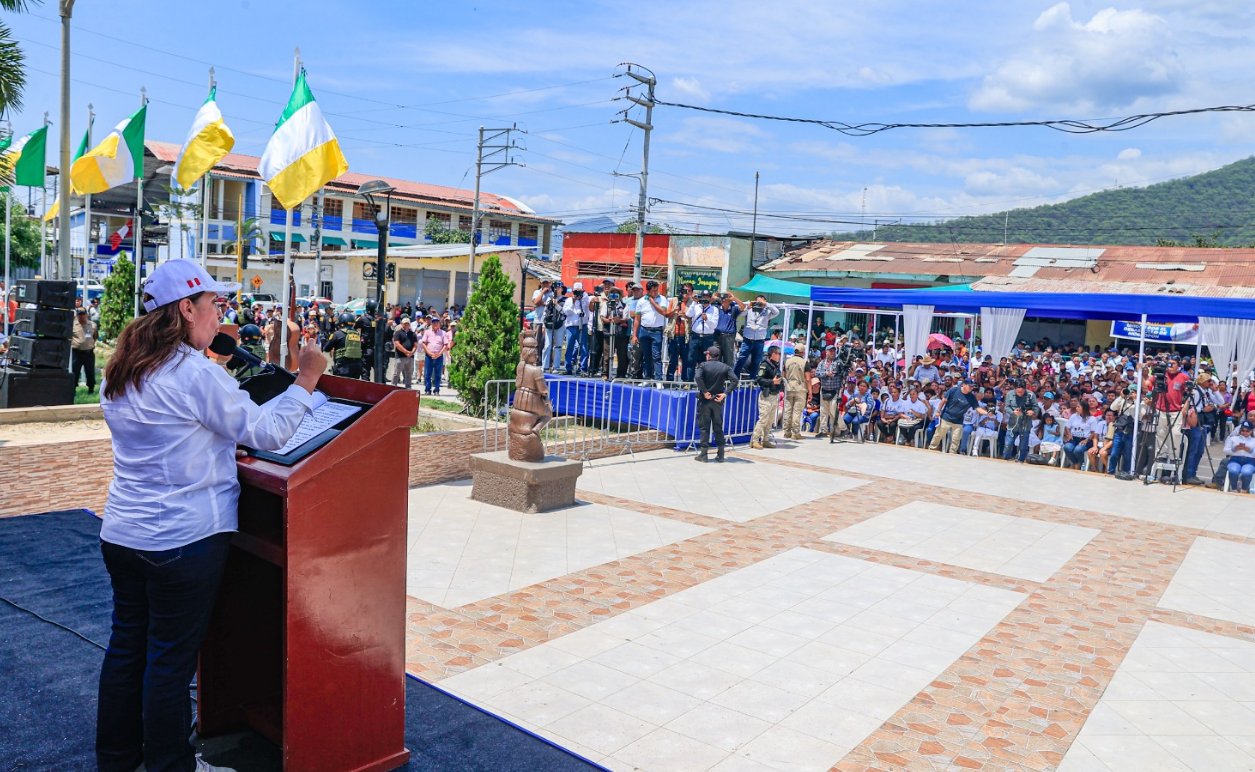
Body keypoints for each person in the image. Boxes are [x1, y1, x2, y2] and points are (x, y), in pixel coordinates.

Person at [96, 259, 327, 772]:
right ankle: (170, 765)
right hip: (183, 539)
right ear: (185, 309)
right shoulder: (195, 373)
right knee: (169, 662)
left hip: (124, 533)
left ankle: (116, 759)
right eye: (214, 305)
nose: (220, 316)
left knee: (127, 649)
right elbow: (268, 433)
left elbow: (174, 434)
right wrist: (307, 379)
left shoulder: (125, 368)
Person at [693, 345, 734, 462]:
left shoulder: (703, 365)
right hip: (717, 400)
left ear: (709, 355)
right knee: (718, 427)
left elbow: (697, 377)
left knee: (704, 427)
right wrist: (725, 393)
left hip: (705, 400)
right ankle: (720, 454)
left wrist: (705, 391)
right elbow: (735, 380)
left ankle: (704, 454)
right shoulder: (725, 367)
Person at [928, 378, 984, 453]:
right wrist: (938, 411)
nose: (971, 388)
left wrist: (987, 413)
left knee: (956, 439)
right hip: (946, 418)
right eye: (970, 386)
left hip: (958, 421)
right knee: (938, 435)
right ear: (964, 385)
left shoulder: (972, 397)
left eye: (972, 386)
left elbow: (977, 408)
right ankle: (931, 449)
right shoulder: (953, 390)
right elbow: (943, 401)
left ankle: (952, 454)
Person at [632, 280, 669, 380]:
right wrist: (634, 335)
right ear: (648, 291)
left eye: (657, 290)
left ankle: (658, 379)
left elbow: (664, 312)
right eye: (653, 291)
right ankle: (647, 378)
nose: (655, 292)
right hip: (644, 330)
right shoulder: (641, 301)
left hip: (656, 331)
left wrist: (653, 302)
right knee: (646, 356)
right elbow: (637, 318)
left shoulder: (662, 299)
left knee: (656, 356)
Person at [734, 295, 778, 379]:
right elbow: (740, 315)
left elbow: (776, 312)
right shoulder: (750, 310)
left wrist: (766, 304)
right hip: (748, 340)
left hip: (759, 340)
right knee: (741, 360)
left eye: (761, 302)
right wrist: (748, 307)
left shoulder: (768, 312)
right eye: (757, 302)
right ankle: (734, 379)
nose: (759, 304)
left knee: (756, 362)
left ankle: (752, 380)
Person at [751, 347, 783, 449]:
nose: (779, 356)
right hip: (766, 396)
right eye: (778, 353)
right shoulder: (765, 365)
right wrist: (772, 382)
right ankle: (754, 440)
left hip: (774, 395)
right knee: (763, 419)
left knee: (770, 420)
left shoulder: (775, 365)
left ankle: (765, 440)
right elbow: (759, 379)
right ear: (773, 354)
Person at [1002, 380, 1039, 463]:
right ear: (1014, 389)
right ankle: (1006, 458)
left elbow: (1036, 407)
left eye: (1022, 392)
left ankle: (1021, 460)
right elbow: (1007, 407)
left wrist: (1032, 412)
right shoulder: (1009, 394)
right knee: (1008, 443)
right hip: (1013, 423)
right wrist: (1013, 412)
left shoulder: (1031, 395)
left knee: (1023, 445)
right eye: (1018, 392)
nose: (1020, 394)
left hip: (1025, 422)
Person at [686, 290, 720, 376]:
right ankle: (689, 382)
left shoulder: (714, 309)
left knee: (706, 360)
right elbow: (688, 314)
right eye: (703, 297)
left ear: (710, 298)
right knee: (691, 359)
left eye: (707, 297)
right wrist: (694, 302)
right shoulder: (696, 307)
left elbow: (714, 326)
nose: (705, 299)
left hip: (707, 337)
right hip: (695, 336)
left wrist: (707, 319)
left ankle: (704, 382)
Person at [322, 313, 365, 379]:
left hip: (343, 368)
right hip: (357, 367)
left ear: (342, 323)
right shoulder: (357, 334)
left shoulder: (337, 334)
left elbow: (327, 348)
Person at [562, 282, 591, 375]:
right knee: (569, 348)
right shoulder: (569, 300)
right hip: (571, 327)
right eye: (575, 291)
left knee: (583, 349)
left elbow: (588, 301)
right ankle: (568, 368)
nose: (577, 293)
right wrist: (573, 302)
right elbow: (566, 312)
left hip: (583, 326)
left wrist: (582, 295)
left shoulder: (585, 299)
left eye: (579, 291)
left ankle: (583, 368)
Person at [420, 316, 451, 395]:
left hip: (439, 356)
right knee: (427, 374)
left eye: (436, 322)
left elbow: (445, 344)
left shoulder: (443, 333)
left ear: (439, 324)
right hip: (429, 356)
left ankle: (436, 390)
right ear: (431, 323)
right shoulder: (427, 332)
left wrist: (440, 353)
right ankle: (427, 390)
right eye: (433, 322)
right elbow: (423, 343)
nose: (435, 324)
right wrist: (428, 352)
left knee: (438, 374)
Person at [782, 344, 808, 439]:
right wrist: (810, 391)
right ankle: (795, 432)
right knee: (797, 411)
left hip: (789, 387)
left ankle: (786, 431)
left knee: (788, 410)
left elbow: (783, 375)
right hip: (800, 388)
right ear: (802, 352)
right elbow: (808, 378)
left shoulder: (787, 361)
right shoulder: (804, 362)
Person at [71, 307, 98, 394]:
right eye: (79, 314)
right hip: (76, 353)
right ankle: (73, 389)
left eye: (83, 314)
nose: (81, 316)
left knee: (90, 371)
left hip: (88, 353)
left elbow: (95, 337)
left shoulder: (93, 325)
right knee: (75, 372)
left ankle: (91, 389)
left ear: (87, 315)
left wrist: (88, 345)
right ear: (77, 315)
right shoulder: (72, 325)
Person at [1224, 421, 1255, 492]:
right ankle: (1234, 488)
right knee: (1233, 471)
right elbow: (1225, 450)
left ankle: (1244, 489)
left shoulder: (1254, 440)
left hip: (1250, 460)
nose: (1244, 432)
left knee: (1246, 472)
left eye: (1247, 431)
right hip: (1235, 459)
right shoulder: (1234, 438)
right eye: (1243, 430)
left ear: (1251, 431)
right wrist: (1234, 449)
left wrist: (1250, 450)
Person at [714, 292, 741, 369]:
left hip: (729, 337)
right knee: (715, 358)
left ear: (729, 301)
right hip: (717, 336)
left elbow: (743, 307)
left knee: (729, 359)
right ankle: (716, 377)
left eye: (725, 299)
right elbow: (706, 305)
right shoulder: (717, 309)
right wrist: (713, 298)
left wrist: (734, 298)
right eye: (722, 299)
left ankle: (728, 378)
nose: (723, 301)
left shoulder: (733, 309)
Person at [390, 316, 418, 389]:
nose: (406, 325)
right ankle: (393, 387)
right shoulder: (398, 333)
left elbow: (415, 344)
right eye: (405, 324)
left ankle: (408, 387)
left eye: (407, 324)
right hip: (400, 356)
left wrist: (412, 352)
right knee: (396, 373)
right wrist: (405, 351)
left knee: (409, 374)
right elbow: (397, 344)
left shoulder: (413, 334)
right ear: (402, 324)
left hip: (410, 357)